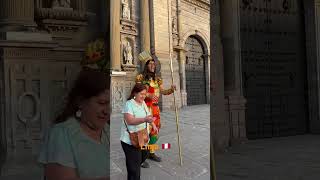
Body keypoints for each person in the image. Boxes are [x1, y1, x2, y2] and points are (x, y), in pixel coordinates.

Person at [38, 69, 110, 180]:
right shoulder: (61, 134)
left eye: (110, 104)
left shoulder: (108, 131)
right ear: (81, 102)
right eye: (101, 103)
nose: (107, 111)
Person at [135, 58, 176, 168]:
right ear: (146, 66)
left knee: (154, 132)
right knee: (144, 134)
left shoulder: (157, 80)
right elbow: (136, 92)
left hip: (155, 109)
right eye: (150, 64)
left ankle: (151, 153)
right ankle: (140, 158)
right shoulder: (140, 78)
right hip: (144, 109)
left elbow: (162, 91)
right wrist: (147, 95)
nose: (153, 65)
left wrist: (171, 90)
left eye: (154, 64)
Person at [121, 83, 158, 180]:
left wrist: (153, 124)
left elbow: (148, 115)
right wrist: (144, 119)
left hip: (142, 136)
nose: (143, 96)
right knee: (135, 170)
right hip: (130, 139)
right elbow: (130, 120)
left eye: (145, 94)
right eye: (141, 94)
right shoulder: (129, 104)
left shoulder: (143, 103)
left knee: (144, 154)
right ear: (135, 93)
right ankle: (133, 167)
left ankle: (132, 164)